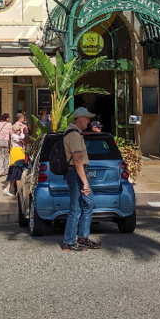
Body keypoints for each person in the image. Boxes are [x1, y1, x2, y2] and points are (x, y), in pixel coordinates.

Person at [62, 107, 100, 251]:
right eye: (87, 118)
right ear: (79, 119)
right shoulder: (73, 135)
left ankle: (83, 237)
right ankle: (69, 241)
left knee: (88, 203)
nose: (89, 121)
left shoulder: (77, 133)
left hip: (78, 172)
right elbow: (77, 161)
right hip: (76, 173)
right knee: (76, 208)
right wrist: (85, 183)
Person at [3, 123, 26, 196]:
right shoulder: (14, 136)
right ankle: (11, 190)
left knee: (17, 176)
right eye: (19, 130)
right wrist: (22, 131)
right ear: (17, 130)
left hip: (19, 159)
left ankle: (16, 191)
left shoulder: (16, 137)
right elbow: (22, 137)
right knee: (16, 175)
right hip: (17, 159)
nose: (20, 131)